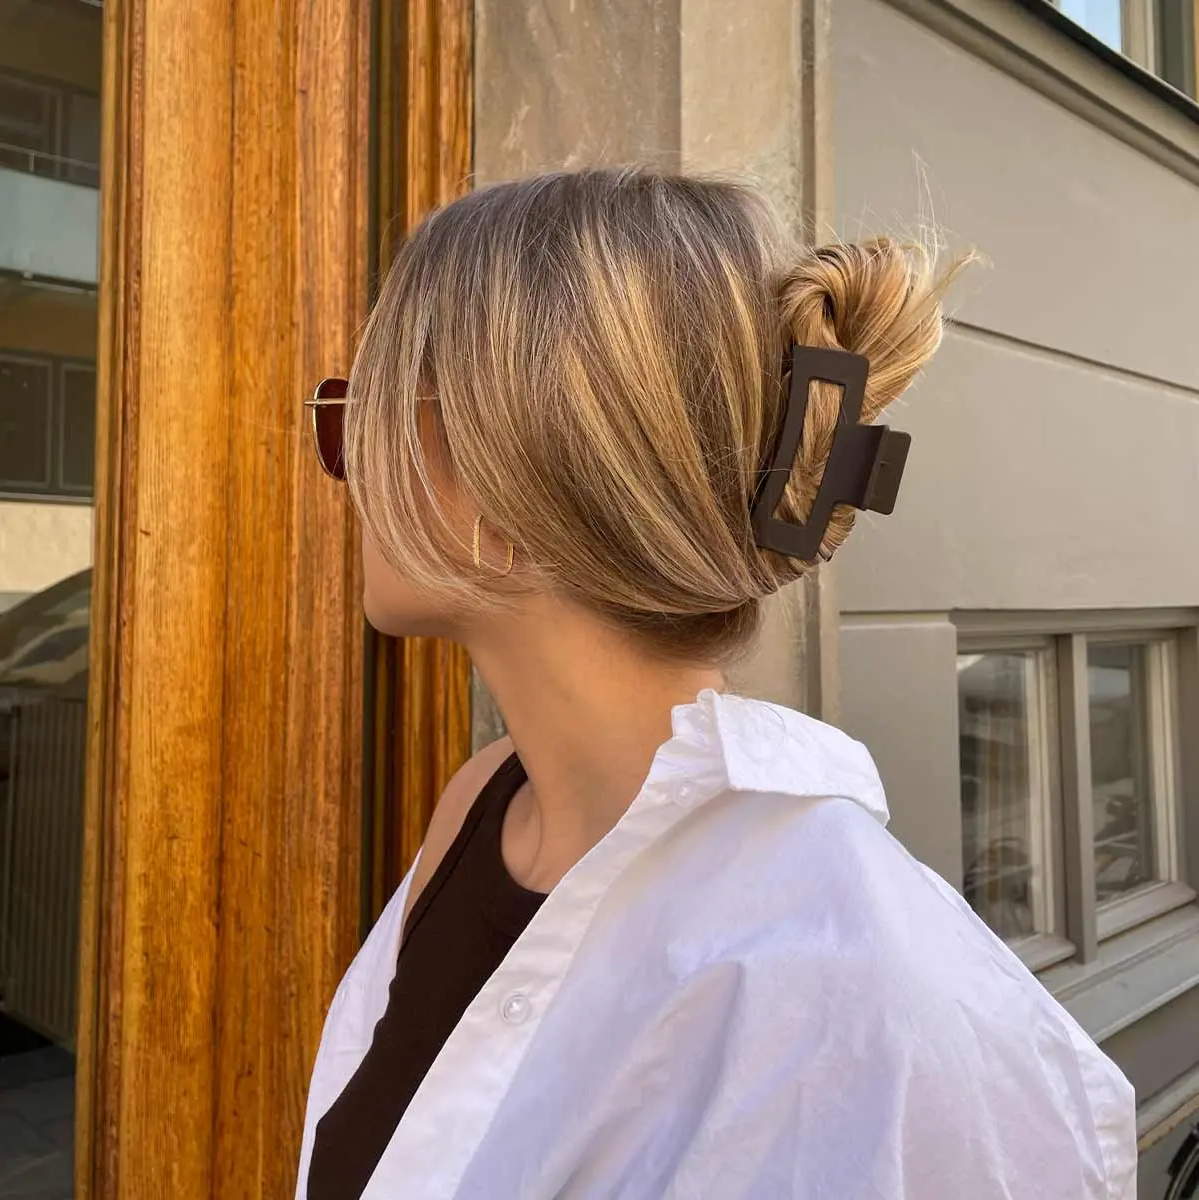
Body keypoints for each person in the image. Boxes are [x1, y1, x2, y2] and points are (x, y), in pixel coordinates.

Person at [295, 167, 1135, 1199]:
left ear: (507, 466)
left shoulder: (866, 1004)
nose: (341, 469)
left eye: (353, 416)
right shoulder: (482, 805)